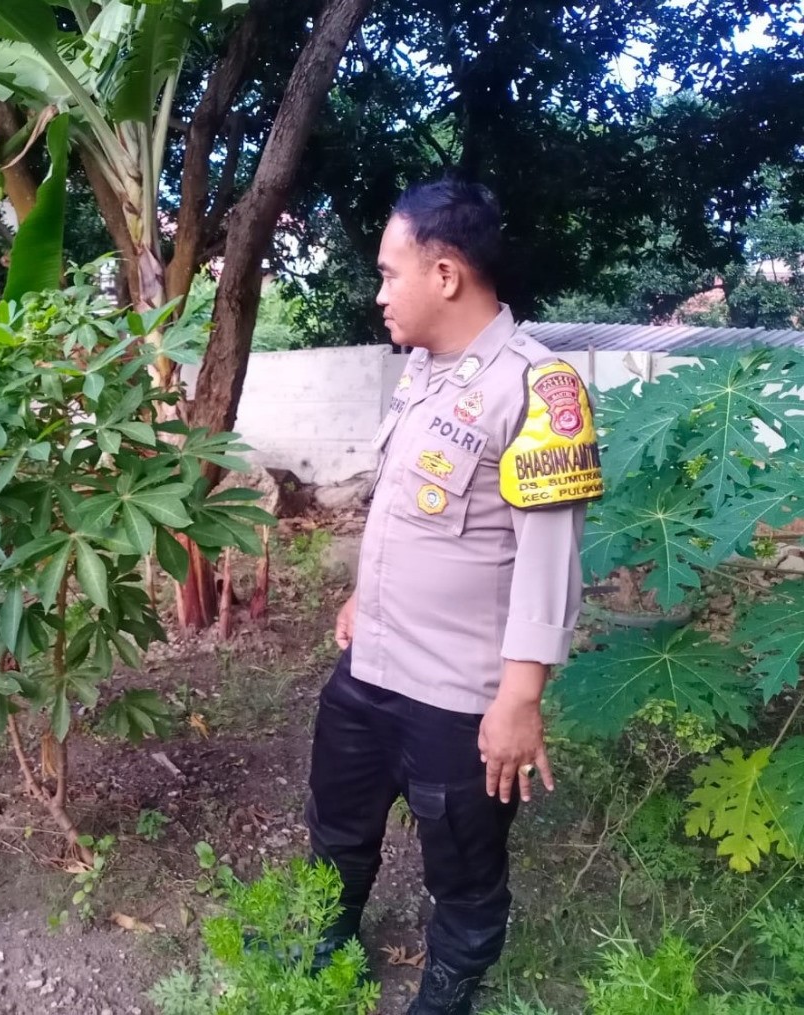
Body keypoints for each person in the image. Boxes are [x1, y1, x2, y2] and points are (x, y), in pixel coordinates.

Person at [304, 179, 602, 1015]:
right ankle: (323, 939)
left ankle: (447, 989)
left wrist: (520, 698)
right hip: (372, 664)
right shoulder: (422, 373)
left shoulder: (540, 389)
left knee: (465, 862)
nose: (379, 293)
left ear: (444, 274)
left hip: (459, 691)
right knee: (337, 820)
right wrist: (362, 595)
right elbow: (401, 504)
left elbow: (550, 557)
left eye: (387, 273)